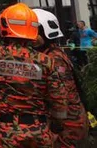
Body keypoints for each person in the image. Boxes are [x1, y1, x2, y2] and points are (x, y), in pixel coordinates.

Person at [0, 2, 66, 147]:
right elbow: (59, 99)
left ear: (5, 26)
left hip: (7, 132)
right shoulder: (47, 61)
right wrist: (56, 127)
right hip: (40, 131)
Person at [35, 9, 87, 148]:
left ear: (45, 33)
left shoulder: (54, 58)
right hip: (64, 122)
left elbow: (61, 95)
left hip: (67, 125)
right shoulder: (49, 54)